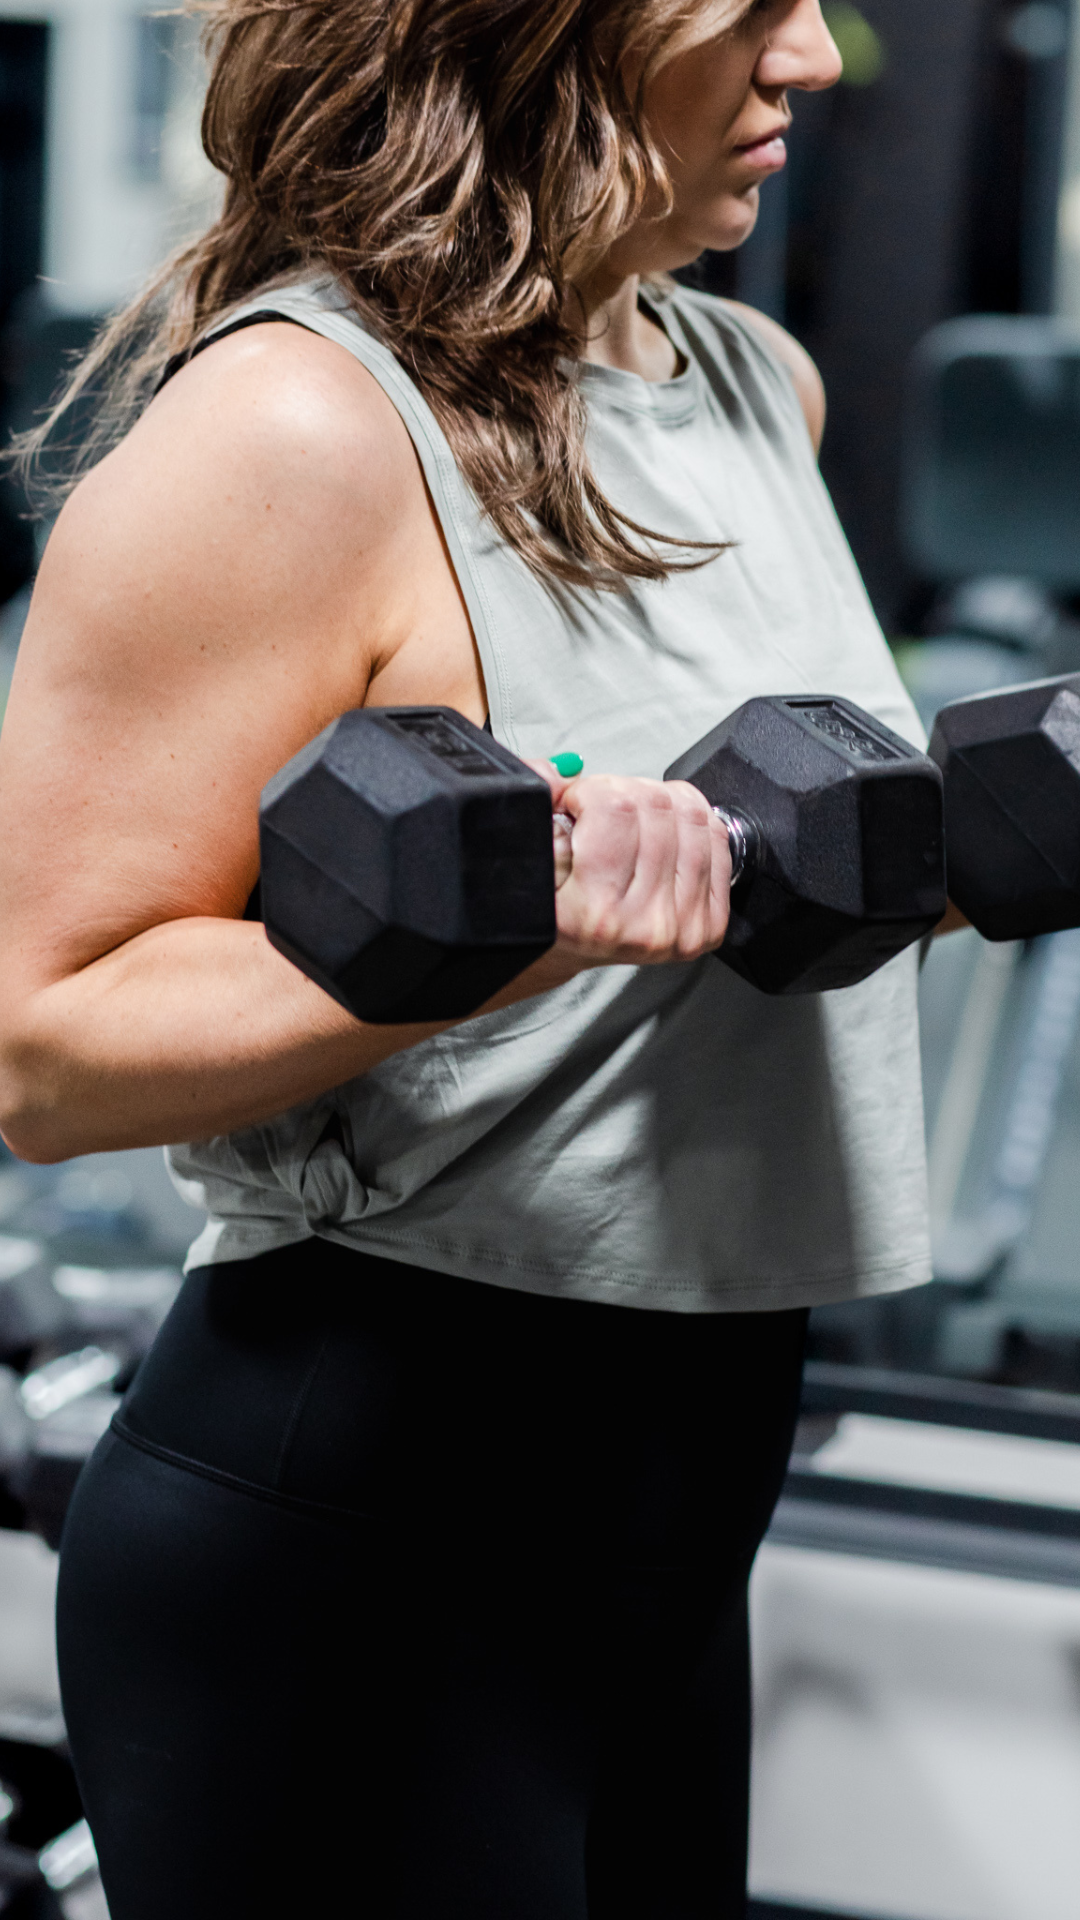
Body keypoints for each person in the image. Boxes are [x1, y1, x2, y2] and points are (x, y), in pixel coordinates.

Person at [0, 0, 935, 1911]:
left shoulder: (754, 382)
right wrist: (510, 941)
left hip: (682, 1506)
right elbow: (42, 1046)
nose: (819, 57)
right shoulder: (294, 431)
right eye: (754, 6)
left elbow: (751, 889)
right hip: (361, 1515)